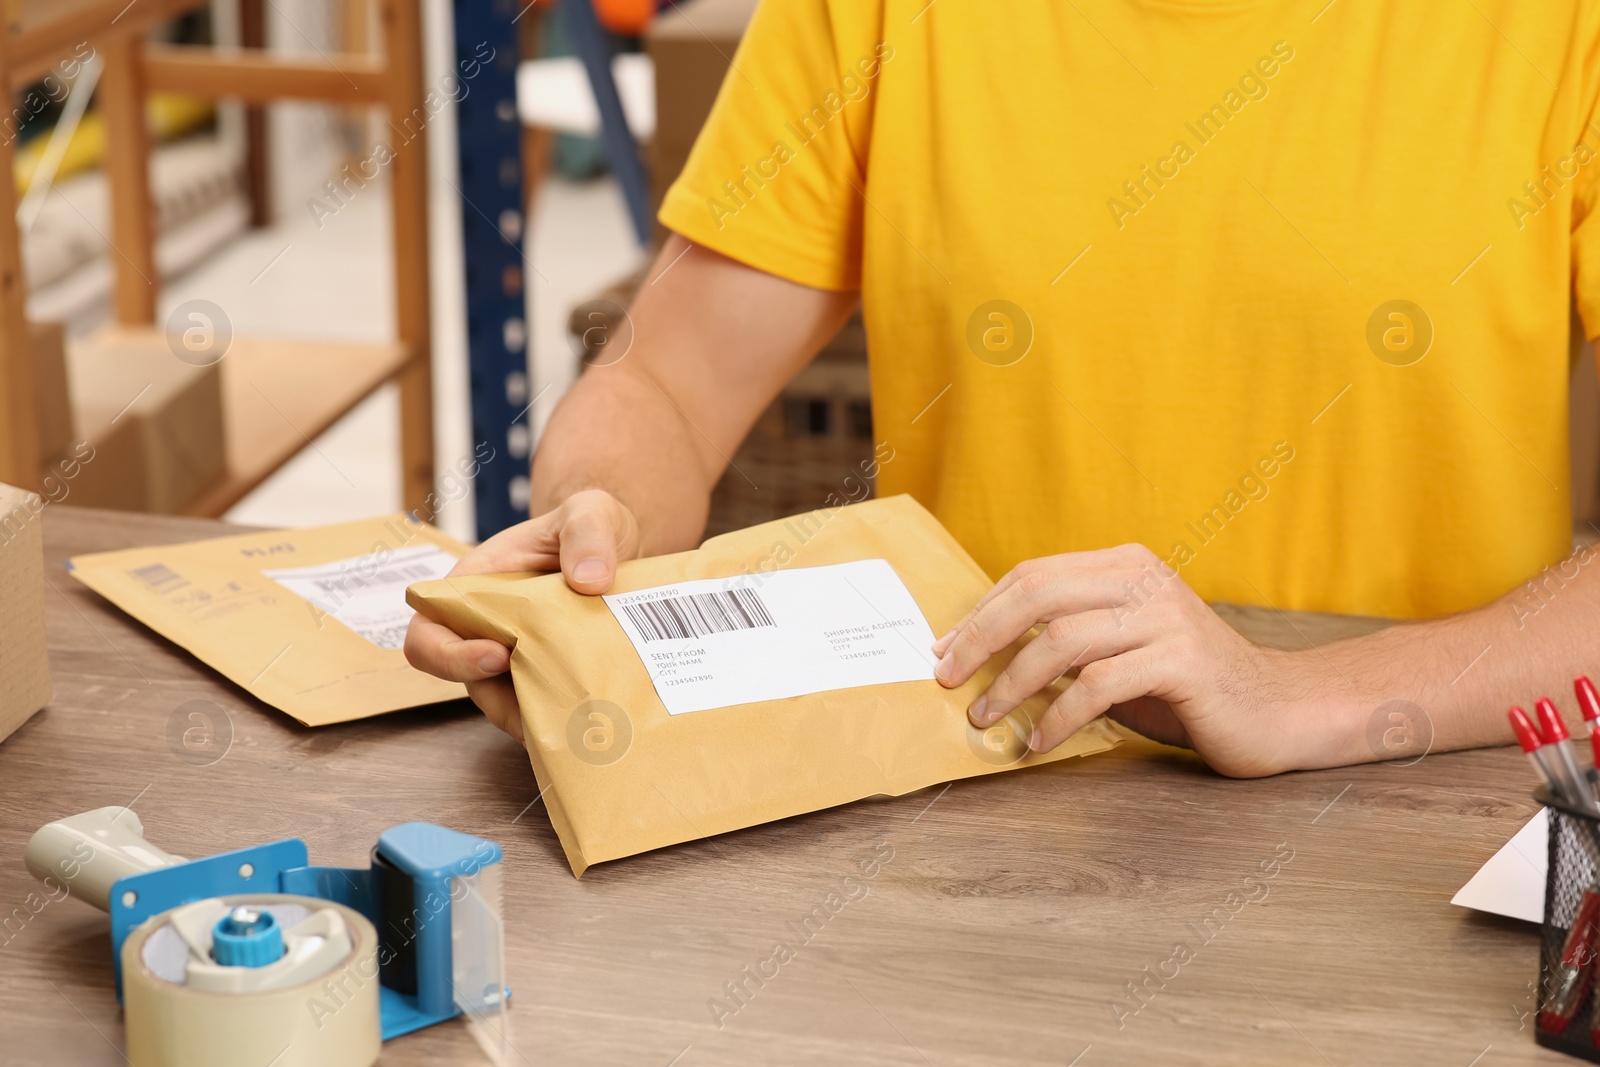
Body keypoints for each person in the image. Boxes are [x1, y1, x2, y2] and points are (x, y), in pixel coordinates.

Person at [407, 0, 1600, 777]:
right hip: (979, 792)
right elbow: (665, 380)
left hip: (1416, 798)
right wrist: (592, 520)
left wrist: (1299, 696)